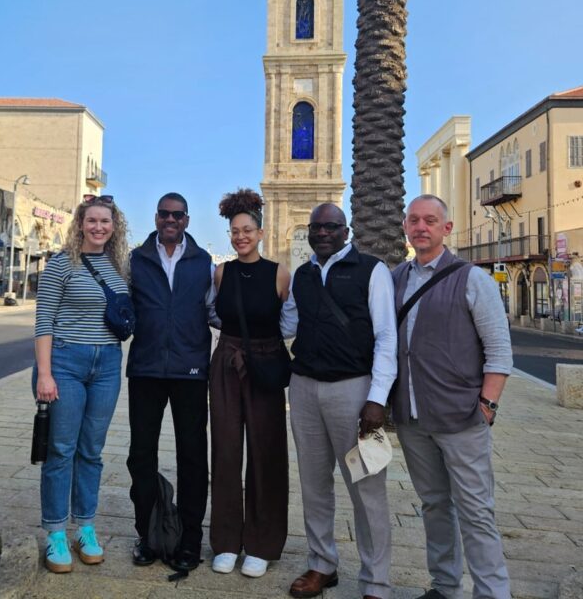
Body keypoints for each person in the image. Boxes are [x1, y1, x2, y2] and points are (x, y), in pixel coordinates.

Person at [392, 194, 513, 599]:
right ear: (405, 228)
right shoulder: (394, 279)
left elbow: (498, 351)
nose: (420, 227)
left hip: (462, 418)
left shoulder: (472, 279)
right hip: (412, 418)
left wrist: (487, 407)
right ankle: (444, 586)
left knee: (477, 511)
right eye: (414, 220)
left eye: (430, 220)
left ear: (446, 229)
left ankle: (492, 593)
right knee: (434, 505)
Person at [281, 202, 397, 599]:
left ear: (346, 230)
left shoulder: (372, 270)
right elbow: (288, 324)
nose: (324, 232)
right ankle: (321, 564)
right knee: (314, 485)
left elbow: (386, 337)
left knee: (366, 489)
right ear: (310, 232)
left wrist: (377, 398)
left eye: (332, 226)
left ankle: (376, 582)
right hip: (305, 388)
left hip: (354, 390)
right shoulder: (303, 274)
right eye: (317, 227)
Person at [33, 194, 130, 573]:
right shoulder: (61, 265)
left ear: (114, 226)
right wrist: (44, 373)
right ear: (80, 224)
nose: (99, 227)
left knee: (91, 450)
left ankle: (85, 526)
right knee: (61, 449)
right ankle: (56, 532)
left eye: (105, 222)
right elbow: (43, 322)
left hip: (107, 363)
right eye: (92, 221)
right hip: (66, 361)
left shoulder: (120, 266)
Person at [126, 192, 215, 572]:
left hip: (190, 371)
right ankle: (148, 535)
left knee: (192, 458)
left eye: (177, 215)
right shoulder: (136, 260)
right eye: (164, 214)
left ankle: (190, 541)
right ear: (156, 217)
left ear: (187, 220)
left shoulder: (204, 263)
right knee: (141, 456)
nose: (170, 220)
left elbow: (215, 311)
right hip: (145, 370)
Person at [208, 188, 291, 578]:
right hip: (226, 361)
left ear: (260, 233)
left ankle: (261, 543)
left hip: (265, 364)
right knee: (225, 451)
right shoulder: (221, 272)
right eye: (234, 231)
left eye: (247, 230)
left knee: (266, 452)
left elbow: (290, 323)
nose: (240, 236)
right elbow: (213, 313)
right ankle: (226, 541)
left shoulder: (279, 273)